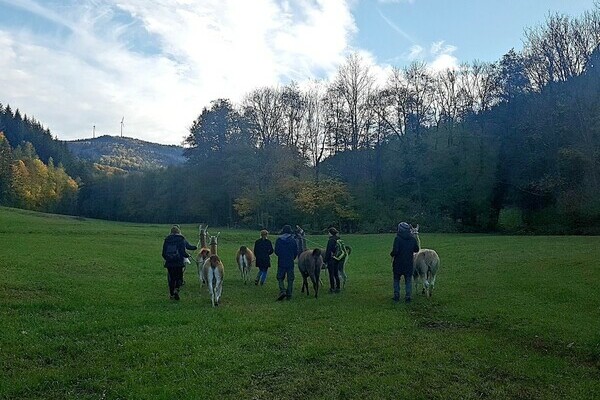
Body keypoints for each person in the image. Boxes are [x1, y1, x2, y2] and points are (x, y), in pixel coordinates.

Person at [162, 225, 197, 300]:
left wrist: (168, 258)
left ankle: (171, 294)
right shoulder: (181, 239)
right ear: (179, 231)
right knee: (179, 278)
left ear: (171, 232)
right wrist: (191, 252)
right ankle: (177, 290)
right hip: (179, 262)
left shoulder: (167, 239)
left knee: (171, 278)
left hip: (169, 263)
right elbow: (183, 251)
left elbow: (163, 253)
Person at [390, 222, 420, 303]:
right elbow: (416, 250)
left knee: (396, 279)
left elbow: (395, 251)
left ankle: (396, 296)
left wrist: (391, 254)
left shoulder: (397, 239)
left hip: (398, 263)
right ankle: (408, 296)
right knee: (408, 280)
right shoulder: (412, 239)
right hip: (409, 263)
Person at [274, 224, 298, 300]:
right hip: (290, 262)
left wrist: (280, 256)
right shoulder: (293, 240)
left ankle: (282, 290)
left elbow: (276, 251)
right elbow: (295, 251)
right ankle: (289, 294)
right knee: (290, 278)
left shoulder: (279, 240)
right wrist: (292, 258)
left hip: (281, 261)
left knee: (280, 277)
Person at [323, 227, 342, 293]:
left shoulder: (331, 240)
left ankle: (332, 288)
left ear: (331, 233)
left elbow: (328, 251)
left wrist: (325, 260)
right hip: (337, 258)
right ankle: (338, 287)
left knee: (331, 274)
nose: (328, 234)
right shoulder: (337, 239)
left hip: (331, 259)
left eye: (328, 233)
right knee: (336, 273)